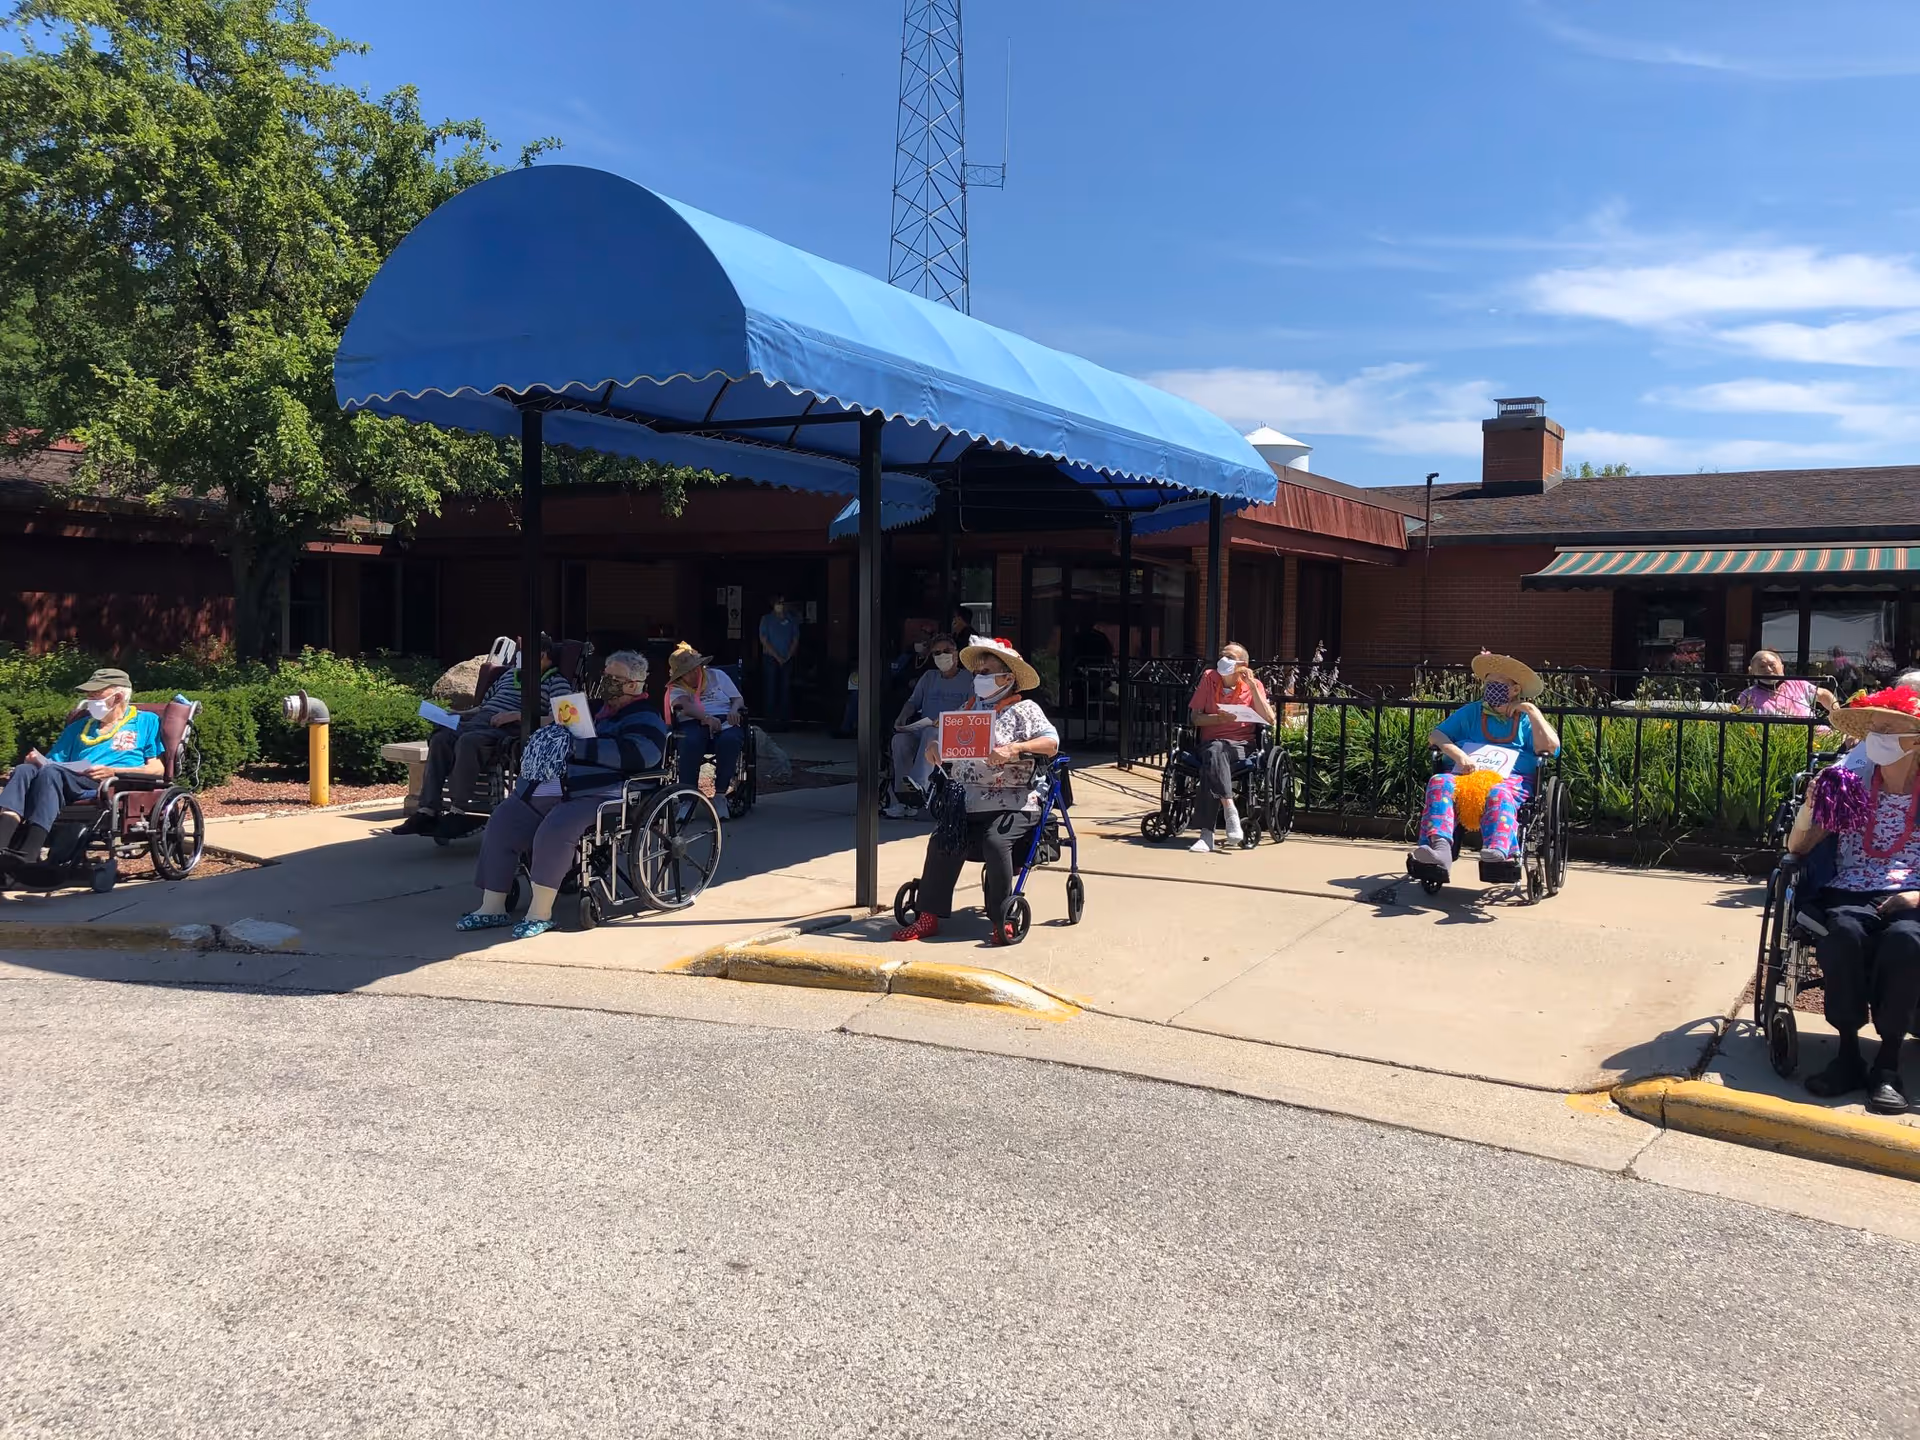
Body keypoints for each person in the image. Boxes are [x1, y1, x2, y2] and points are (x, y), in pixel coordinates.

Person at [460, 651, 667, 941]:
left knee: (554, 829)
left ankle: (540, 913)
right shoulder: (592, 708)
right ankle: (491, 906)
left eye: (614, 678)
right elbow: (557, 725)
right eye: (605, 675)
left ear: (634, 684)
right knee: (505, 819)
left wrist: (579, 747)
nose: (605, 681)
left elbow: (643, 755)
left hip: (608, 789)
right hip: (565, 782)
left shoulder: (646, 716)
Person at [1786, 685, 1920, 1113]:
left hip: (1914, 896)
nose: (1877, 735)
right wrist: (1810, 810)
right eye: (1874, 728)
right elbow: (1799, 848)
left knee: (1906, 942)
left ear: (1915, 740)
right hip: (1852, 890)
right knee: (1842, 932)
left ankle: (1887, 1063)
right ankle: (1847, 1054)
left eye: (1888, 728)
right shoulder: (1853, 786)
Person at [892, 637, 1059, 946]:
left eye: (988, 671)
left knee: (996, 842)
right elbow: (941, 736)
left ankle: (1000, 919)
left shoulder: (1026, 709)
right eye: (979, 671)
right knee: (943, 839)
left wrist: (1014, 748)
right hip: (968, 800)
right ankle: (927, 916)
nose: (980, 677)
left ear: (1008, 678)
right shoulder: (969, 708)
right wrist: (933, 746)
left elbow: (1051, 743)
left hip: (1014, 801)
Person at [1407, 652, 1562, 883]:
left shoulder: (1525, 719)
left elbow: (1550, 747)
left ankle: (1499, 853)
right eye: (1488, 684)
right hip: (1465, 774)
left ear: (1515, 689)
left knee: (1499, 793)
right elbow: (1437, 735)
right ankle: (1439, 850)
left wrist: (1531, 710)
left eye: (1498, 685)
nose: (1491, 689)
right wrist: (1458, 756)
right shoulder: (1472, 711)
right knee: (1439, 782)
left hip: (1510, 779)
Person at [396, 637, 573, 838]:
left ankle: (459, 811)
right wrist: (460, 714)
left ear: (542, 655)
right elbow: (485, 706)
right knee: (441, 737)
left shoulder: (556, 682)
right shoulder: (508, 676)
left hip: (510, 730)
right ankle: (427, 810)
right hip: (478, 721)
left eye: (523, 653)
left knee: (468, 741)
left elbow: (561, 718)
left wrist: (518, 716)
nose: (518, 657)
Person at [0, 668, 163, 864]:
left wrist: (114, 771)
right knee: (23, 771)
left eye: (96, 694)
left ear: (118, 696)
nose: (90, 699)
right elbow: (54, 762)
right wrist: (35, 760)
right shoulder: (79, 727)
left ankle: (27, 855)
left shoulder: (145, 721)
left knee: (51, 774)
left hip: (108, 783)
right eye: (89, 694)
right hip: (66, 778)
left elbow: (157, 769)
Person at [1184, 642, 1276, 853]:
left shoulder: (1254, 684)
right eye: (1222, 655)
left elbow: (1270, 719)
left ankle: (1207, 834)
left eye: (1230, 657)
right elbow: (1195, 718)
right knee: (1215, 750)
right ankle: (1229, 808)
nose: (1224, 659)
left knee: (1213, 760)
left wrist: (1252, 686)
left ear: (1243, 664)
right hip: (1210, 743)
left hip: (1241, 745)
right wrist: (1218, 719)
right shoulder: (1209, 678)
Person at [886, 632, 974, 818]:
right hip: (924, 728)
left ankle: (920, 787)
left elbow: (972, 710)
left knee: (931, 734)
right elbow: (913, 702)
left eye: (946, 651)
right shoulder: (929, 677)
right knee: (900, 740)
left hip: (952, 734)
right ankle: (902, 799)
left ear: (956, 653)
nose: (941, 655)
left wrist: (947, 720)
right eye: (936, 653)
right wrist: (903, 716)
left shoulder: (969, 680)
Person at [666, 642, 746, 806]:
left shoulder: (717, 675)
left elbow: (737, 699)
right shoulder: (677, 687)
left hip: (725, 717)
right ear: (680, 675)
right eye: (688, 672)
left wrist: (734, 710)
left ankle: (721, 795)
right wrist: (706, 718)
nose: (695, 673)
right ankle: (687, 800)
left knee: (730, 740)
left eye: (696, 667)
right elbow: (685, 708)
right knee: (690, 742)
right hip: (692, 721)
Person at [1736, 649, 1838, 719]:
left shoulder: (1799, 685)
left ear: (1782, 668)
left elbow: (1824, 695)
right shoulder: (1747, 695)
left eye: (1772, 665)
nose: (1768, 669)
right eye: (1762, 666)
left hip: (1816, 738)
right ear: (1753, 671)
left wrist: (1838, 716)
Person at [758, 596, 799, 729]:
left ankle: (784, 721)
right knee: (771, 688)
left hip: (787, 659)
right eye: (778, 603)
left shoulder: (791, 619)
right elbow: (764, 639)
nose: (781, 605)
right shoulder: (767, 619)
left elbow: (795, 638)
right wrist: (777, 656)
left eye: (782, 603)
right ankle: (770, 720)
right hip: (770, 658)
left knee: (785, 688)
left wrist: (787, 656)